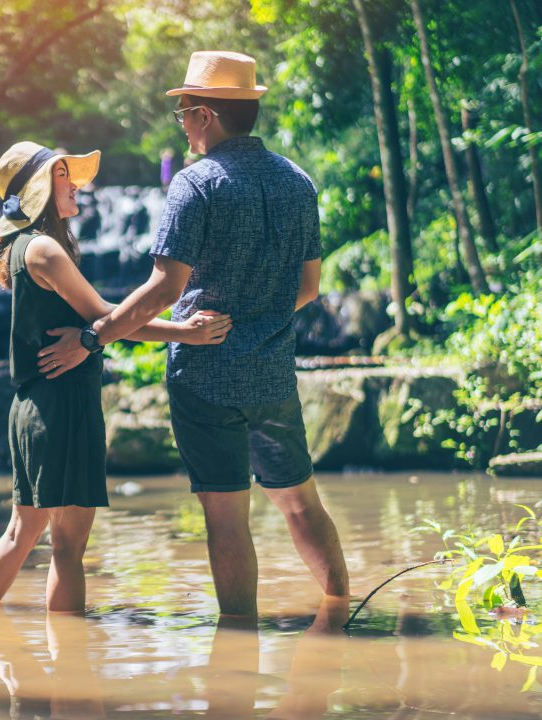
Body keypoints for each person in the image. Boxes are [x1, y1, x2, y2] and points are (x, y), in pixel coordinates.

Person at [36, 51, 349, 617]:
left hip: (205, 378)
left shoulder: (195, 185)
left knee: (226, 516)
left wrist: (93, 337)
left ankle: (238, 639)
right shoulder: (297, 182)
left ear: (206, 116)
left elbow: (162, 291)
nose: (180, 123)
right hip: (273, 372)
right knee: (302, 504)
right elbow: (308, 288)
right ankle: (342, 613)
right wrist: (262, 319)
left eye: (183, 112)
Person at [0, 141, 233, 613]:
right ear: (39, 190)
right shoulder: (46, 249)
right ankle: (70, 679)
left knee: (19, 534)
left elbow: (98, 324)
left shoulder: (20, 249)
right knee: (68, 551)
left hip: (30, 409)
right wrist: (185, 333)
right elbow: (110, 319)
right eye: (63, 176)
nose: (75, 185)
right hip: (64, 407)